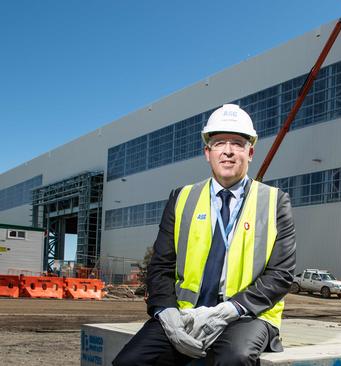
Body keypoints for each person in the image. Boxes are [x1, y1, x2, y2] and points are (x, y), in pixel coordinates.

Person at [113, 104, 296, 366]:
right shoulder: (182, 199)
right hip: (186, 315)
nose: (228, 151)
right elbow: (160, 266)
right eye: (219, 143)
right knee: (129, 362)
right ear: (207, 152)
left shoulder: (275, 202)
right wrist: (167, 313)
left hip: (246, 316)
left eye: (237, 143)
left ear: (250, 152)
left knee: (234, 359)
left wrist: (229, 310)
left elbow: (281, 274)